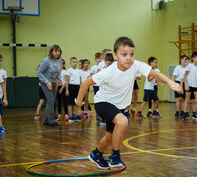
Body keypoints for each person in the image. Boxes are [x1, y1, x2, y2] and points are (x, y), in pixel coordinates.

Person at [75, 37, 182, 169]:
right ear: (115, 56)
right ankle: (115, 156)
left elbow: (154, 74)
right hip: (103, 102)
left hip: (118, 106)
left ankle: (96, 154)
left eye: (132, 54)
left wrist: (170, 82)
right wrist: (79, 102)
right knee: (123, 121)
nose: (129, 58)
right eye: (124, 54)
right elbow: (86, 83)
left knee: (110, 136)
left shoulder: (135, 65)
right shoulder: (108, 72)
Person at [36, 45, 62, 126]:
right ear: (51, 52)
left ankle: (46, 120)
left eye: (59, 51)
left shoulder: (59, 60)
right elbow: (39, 72)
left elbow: (58, 71)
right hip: (45, 83)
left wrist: (59, 77)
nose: (57, 53)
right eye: (55, 51)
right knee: (51, 100)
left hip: (54, 82)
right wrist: (47, 82)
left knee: (52, 101)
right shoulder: (46, 61)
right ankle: (52, 120)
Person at [65, 57, 82, 121]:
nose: (75, 63)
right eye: (73, 62)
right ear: (70, 63)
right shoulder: (68, 71)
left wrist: (80, 89)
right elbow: (67, 81)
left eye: (76, 62)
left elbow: (80, 81)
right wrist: (67, 90)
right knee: (70, 102)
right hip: (71, 86)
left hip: (77, 87)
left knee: (76, 102)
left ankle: (75, 115)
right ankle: (70, 115)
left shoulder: (78, 71)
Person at [90, 52, 102, 121]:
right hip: (96, 86)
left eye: (101, 58)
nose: (99, 59)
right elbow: (91, 77)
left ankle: (103, 115)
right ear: (95, 59)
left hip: (102, 86)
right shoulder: (93, 68)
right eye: (98, 58)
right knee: (97, 100)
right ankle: (97, 114)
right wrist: (91, 86)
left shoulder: (104, 66)